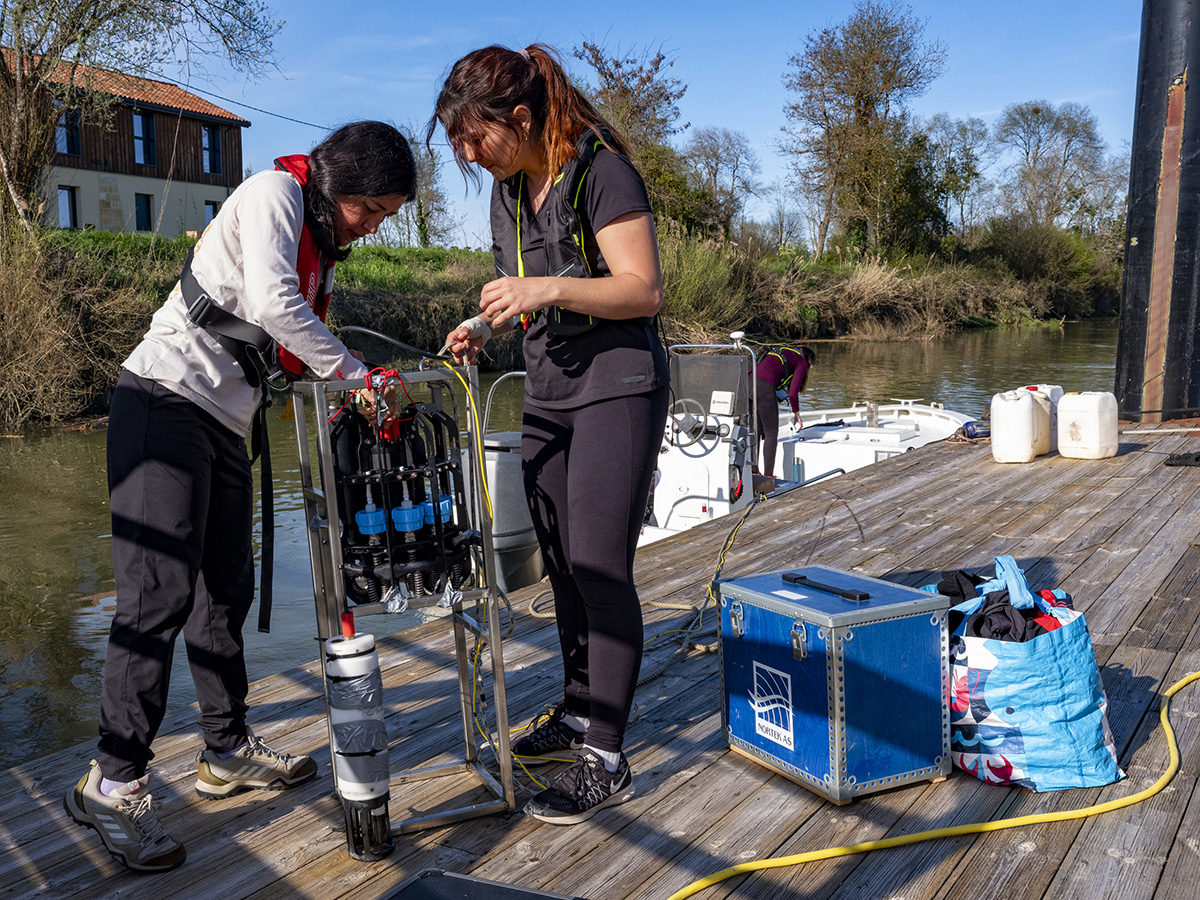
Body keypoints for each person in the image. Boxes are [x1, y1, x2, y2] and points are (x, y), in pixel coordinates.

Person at [64, 121, 416, 873]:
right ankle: (112, 780)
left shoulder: (317, 235)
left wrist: (346, 387)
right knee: (154, 596)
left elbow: (287, 341)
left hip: (222, 421)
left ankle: (224, 752)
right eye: (375, 209)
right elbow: (276, 305)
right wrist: (360, 377)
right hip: (163, 399)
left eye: (385, 215)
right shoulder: (273, 195)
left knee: (225, 592)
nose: (375, 225)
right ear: (341, 188)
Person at [431, 43, 669, 825]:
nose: (466, 154)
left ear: (523, 118)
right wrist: (482, 323)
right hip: (547, 393)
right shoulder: (507, 193)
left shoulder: (601, 170)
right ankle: (575, 714)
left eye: (474, 137)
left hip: (617, 389)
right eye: (458, 142)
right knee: (561, 562)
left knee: (601, 564)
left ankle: (607, 754)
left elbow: (641, 290)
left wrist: (547, 286)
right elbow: (529, 297)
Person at [753, 345, 815, 479]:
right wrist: (797, 414)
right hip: (764, 386)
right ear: (809, 360)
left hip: (748, 383)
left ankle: (753, 472)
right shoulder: (802, 361)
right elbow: (793, 393)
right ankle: (768, 477)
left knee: (756, 431)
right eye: (810, 368)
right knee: (771, 433)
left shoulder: (783, 351)